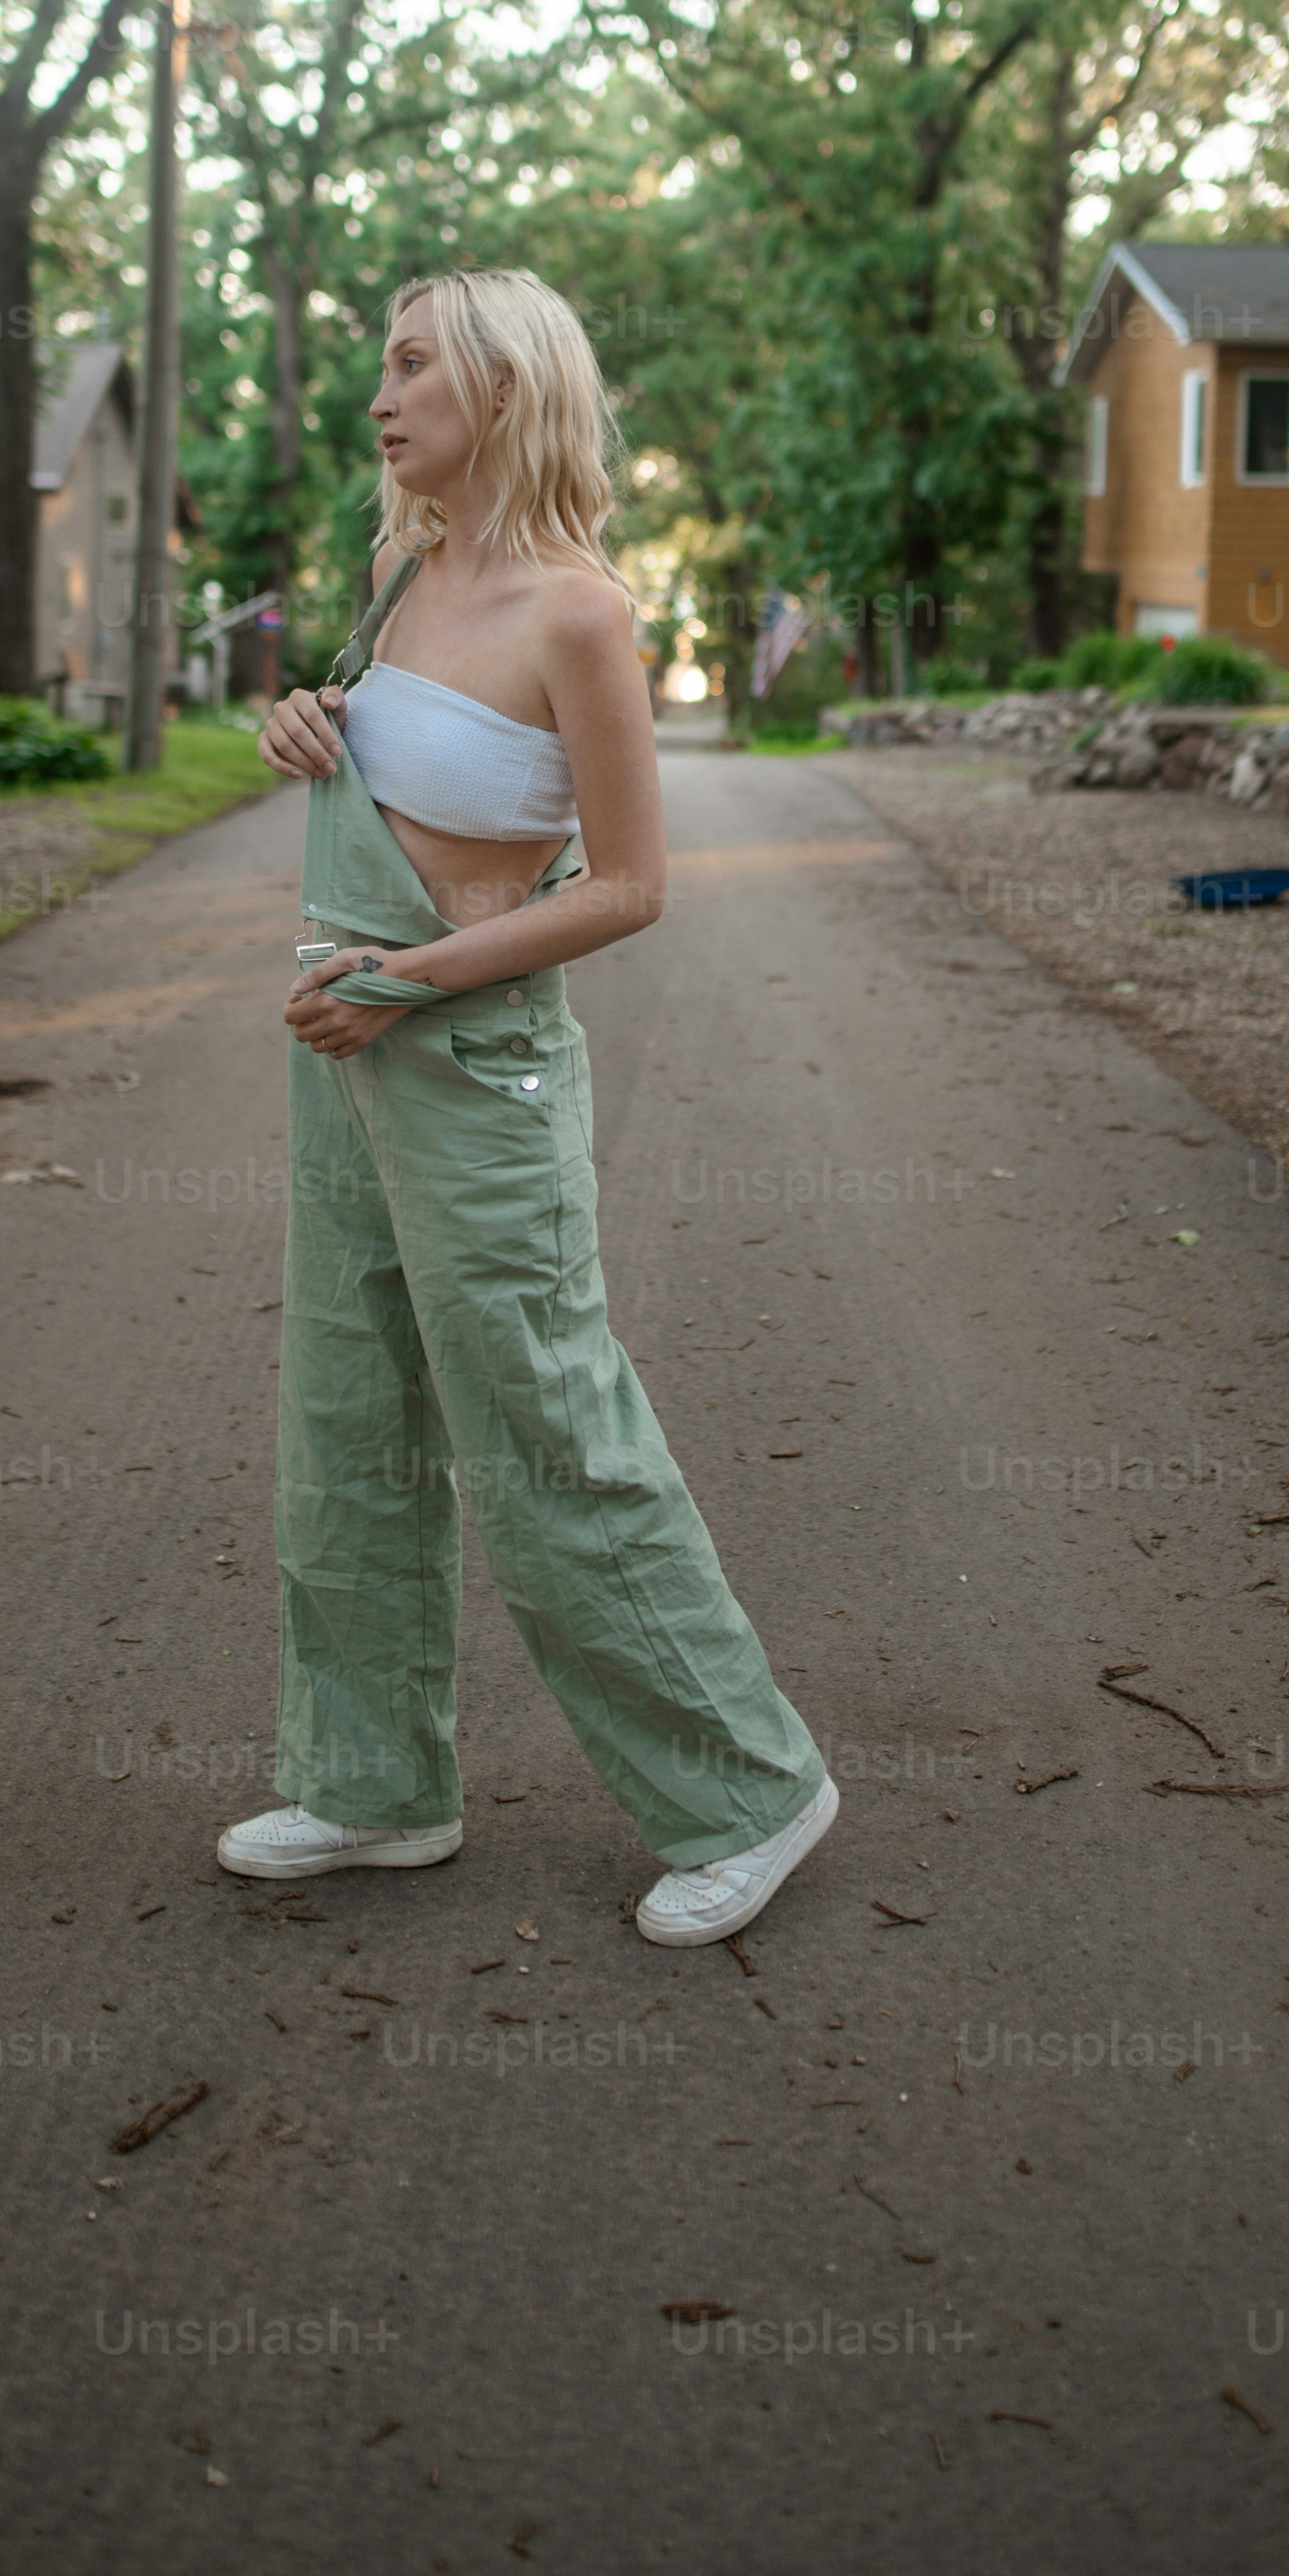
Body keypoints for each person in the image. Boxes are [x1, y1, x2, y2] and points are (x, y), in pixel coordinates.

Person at [218, 269, 836, 1949]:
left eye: (412, 363)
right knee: (349, 1421)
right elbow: (401, 773)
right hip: (345, 1053)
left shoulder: (581, 612)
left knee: (552, 1435)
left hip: (467, 1064)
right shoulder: (404, 573)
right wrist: (307, 722)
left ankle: (750, 1792)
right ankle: (372, 1785)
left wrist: (412, 983)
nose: (381, 395)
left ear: (504, 387)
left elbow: (632, 887)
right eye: (381, 362)